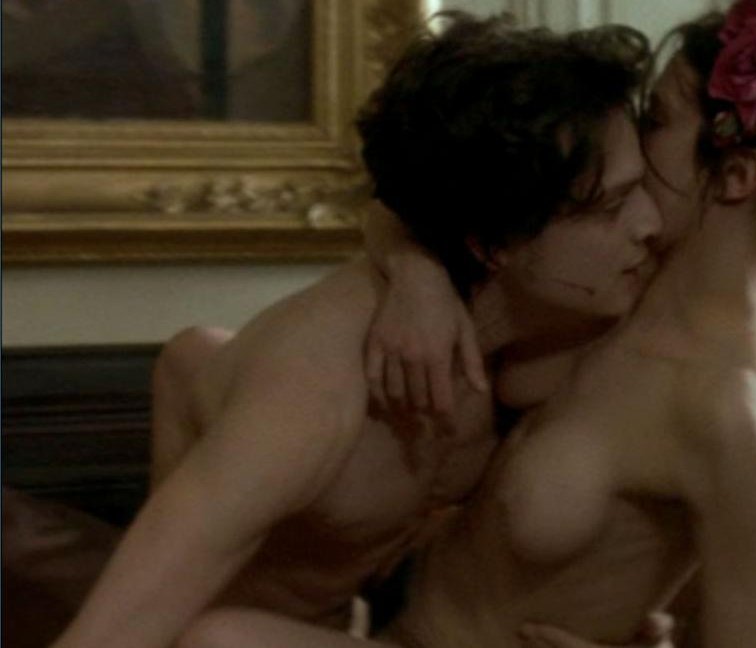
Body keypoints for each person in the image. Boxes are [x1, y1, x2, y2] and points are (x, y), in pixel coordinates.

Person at [168, 1, 756, 647]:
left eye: (655, 119)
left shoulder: (732, 406)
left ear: (736, 176)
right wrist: (417, 278)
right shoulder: (608, 283)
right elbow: (416, 199)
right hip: (387, 620)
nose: (628, 138)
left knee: (213, 641)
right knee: (196, 363)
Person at [47, 17, 668, 648]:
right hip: (222, 633)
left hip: (365, 625)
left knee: (198, 356)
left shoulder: (547, 332)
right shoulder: (314, 386)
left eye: (641, 188)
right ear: (491, 244)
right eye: (611, 208)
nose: (651, 223)